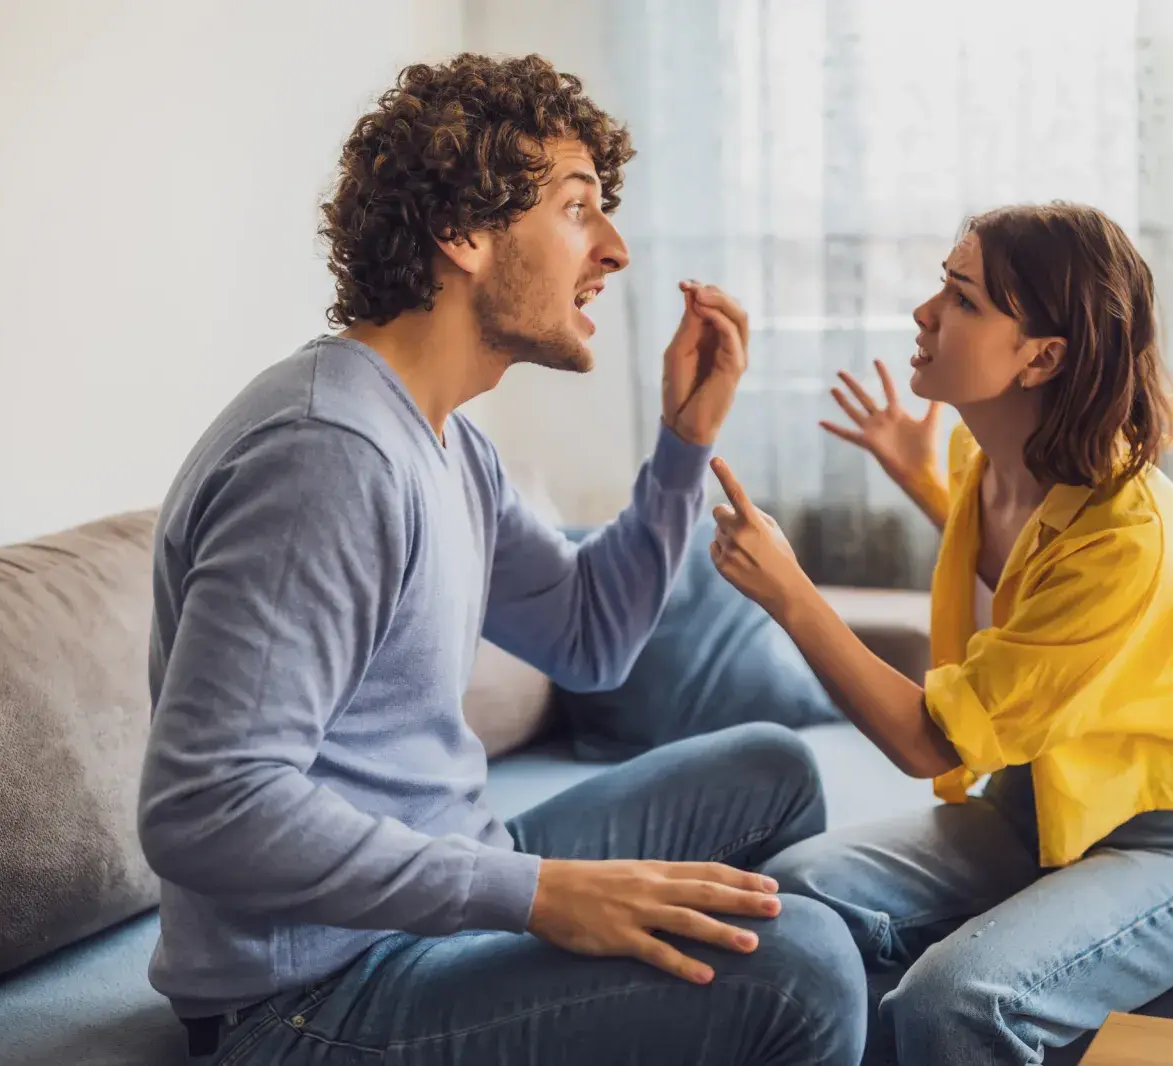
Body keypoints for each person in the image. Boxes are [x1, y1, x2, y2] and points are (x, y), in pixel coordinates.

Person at [136, 53, 864, 1066]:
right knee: (804, 967)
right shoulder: (326, 455)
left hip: (442, 888)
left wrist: (683, 444)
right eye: (577, 209)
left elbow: (591, 640)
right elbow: (204, 809)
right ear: (464, 232)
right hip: (308, 992)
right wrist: (536, 895)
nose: (614, 250)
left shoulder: (444, 440)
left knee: (771, 771)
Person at [704, 201, 1173, 1065]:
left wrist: (791, 593)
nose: (925, 312)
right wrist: (923, 479)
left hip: (1168, 841)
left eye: (963, 300)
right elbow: (1025, 581)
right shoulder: (988, 460)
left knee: (953, 1002)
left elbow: (929, 740)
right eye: (943, 286)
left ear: (1042, 357)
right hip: (1028, 809)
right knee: (791, 897)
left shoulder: (1128, 538)